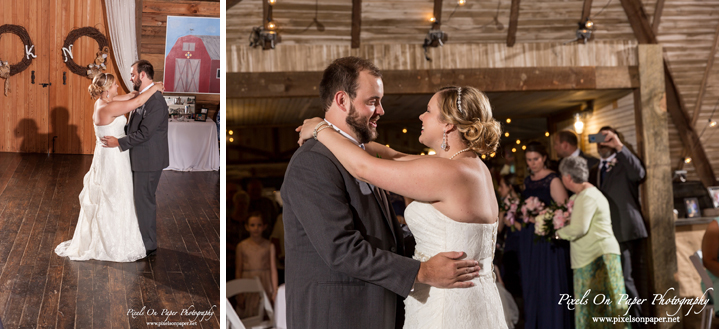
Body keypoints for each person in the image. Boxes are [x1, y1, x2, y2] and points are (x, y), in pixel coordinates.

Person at [294, 61, 506, 328]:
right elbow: (392, 155)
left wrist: (320, 129)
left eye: (428, 111)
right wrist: (339, 132)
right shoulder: (470, 167)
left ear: (448, 126)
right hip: (470, 297)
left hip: (447, 307)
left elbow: (364, 167)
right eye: (374, 101)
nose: (420, 116)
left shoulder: (447, 173)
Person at [55, 73, 162, 262]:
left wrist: (140, 90)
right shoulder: (110, 107)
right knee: (116, 195)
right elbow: (136, 104)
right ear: (106, 90)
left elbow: (130, 97)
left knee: (114, 194)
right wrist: (155, 88)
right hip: (113, 158)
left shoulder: (102, 102)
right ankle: (113, 239)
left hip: (106, 155)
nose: (117, 88)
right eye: (114, 86)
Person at [101, 60, 170, 257]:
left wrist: (120, 142)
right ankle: (139, 238)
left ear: (142, 75)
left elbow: (145, 133)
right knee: (139, 200)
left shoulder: (155, 101)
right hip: (141, 157)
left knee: (144, 201)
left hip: (149, 160)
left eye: (132, 74)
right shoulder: (143, 95)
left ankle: (149, 245)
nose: (130, 78)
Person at [556, 157, 628, 328]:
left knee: (600, 308)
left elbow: (579, 229)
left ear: (567, 177)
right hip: (592, 255)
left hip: (597, 257)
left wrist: (557, 233)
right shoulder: (583, 195)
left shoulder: (587, 196)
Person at [589, 126, 648, 321]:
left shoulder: (624, 163)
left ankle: (635, 322)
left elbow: (639, 174)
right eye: (600, 138)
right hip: (603, 233)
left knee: (625, 278)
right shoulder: (595, 170)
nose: (602, 143)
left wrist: (619, 146)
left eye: (607, 138)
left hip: (624, 229)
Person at [519, 141, 573, 329]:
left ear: (543, 159)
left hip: (547, 239)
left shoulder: (553, 179)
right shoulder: (527, 181)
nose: (532, 163)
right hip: (529, 238)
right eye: (528, 160)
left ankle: (554, 322)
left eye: (535, 159)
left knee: (549, 283)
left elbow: (564, 211)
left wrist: (543, 217)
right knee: (532, 282)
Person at [235, 212, 278, 318]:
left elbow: (273, 269)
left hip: (265, 281)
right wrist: (239, 292)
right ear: (247, 227)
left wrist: (275, 291)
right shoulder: (241, 246)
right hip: (247, 280)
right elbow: (238, 270)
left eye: (259, 225)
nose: (256, 228)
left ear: (264, 226)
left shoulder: (269, 245)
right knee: (248, 313)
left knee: (264, 312)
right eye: (252, 225)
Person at [497, 174, 522, 298]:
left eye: (502, 186)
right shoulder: (504, 205)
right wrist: (501, 214)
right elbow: (498, 229)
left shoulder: (523, 203)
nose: (499, 189)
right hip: (510, 244)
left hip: (519, 243)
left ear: (510, 187)